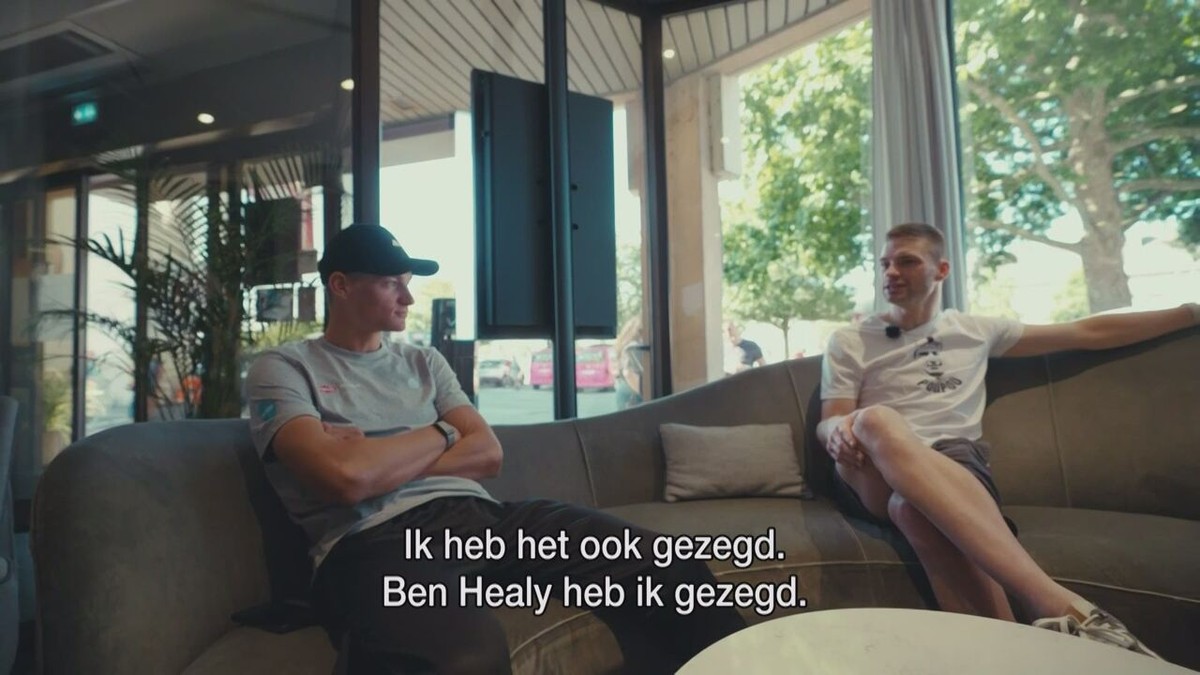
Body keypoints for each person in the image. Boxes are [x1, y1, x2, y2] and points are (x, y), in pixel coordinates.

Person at [245, 224, 745, 674]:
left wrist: (380, 456)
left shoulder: (425, 361)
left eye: (407, 282)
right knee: (465, 660)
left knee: (672, 568)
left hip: (480, 519)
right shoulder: (284, 368)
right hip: (371, 542)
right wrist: (445, 431)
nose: (408, 297)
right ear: (340, 285)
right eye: (390, 283)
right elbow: (344, 479)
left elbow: (488, 453)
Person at [819, 222, 1199, 659]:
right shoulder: (850, 339)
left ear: (941, 270)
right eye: (885, 262)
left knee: (912, 509)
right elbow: (830, 419)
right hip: (869, 465)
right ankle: (1059, 605)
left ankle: (1010, 659)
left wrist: (1191, 312)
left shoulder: (975, 330)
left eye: (906, 261)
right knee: (876, 420)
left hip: (951, 462)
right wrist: (837, 432)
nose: (890, 272)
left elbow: (1085, 332)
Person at [613, 316, 645, 410]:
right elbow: (629, 373)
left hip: (625, 393)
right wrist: (646, 394)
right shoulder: (635, 347)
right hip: (633, 396)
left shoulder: (626, 346)